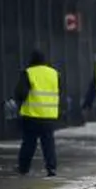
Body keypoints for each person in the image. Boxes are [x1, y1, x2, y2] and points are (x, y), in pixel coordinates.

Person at [14, 49, 61, 177]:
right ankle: (51, 167)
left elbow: (20, 93)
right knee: (48, 143)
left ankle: (24, 167)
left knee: (29, 142)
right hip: (49, 115)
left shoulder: (28, 72)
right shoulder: (54, 73)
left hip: (31, 115)